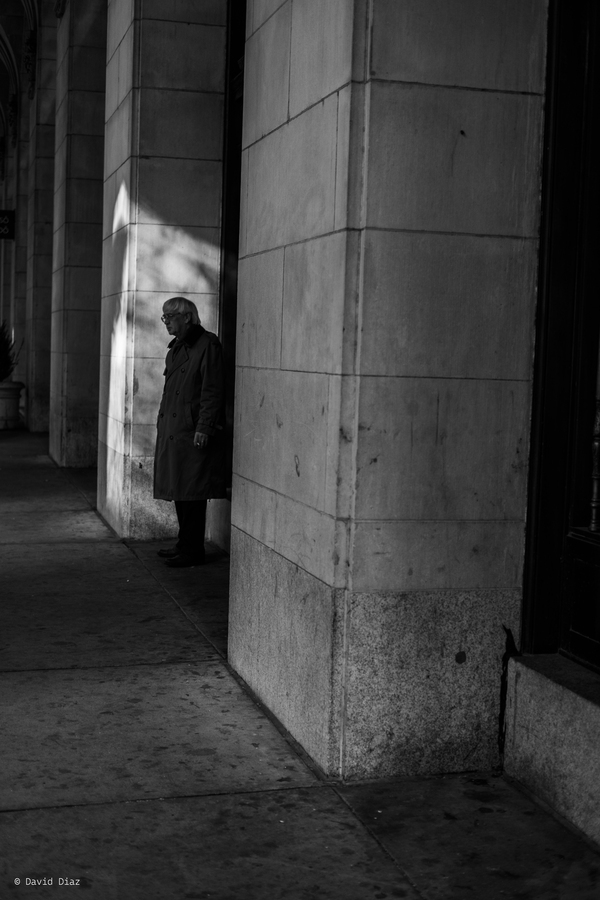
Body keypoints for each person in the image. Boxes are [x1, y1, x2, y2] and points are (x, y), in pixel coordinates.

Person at [153, 296, 226, 567]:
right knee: (180, 490)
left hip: (192, 430)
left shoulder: (207, 344)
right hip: (175, 430)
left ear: (186, 317)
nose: (166, 322)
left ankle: (193, 550)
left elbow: (212, 390)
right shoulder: (176, 348)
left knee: (193, 492)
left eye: (170, 317)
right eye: (164, 317)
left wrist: (205, 427)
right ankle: (184, 543)